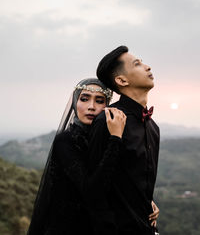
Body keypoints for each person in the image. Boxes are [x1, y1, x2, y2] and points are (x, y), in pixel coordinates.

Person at [27, 78, 126, 235]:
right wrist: (115, 140)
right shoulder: (65, 141)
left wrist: (146, 203)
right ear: (74, 102)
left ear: (107, 106)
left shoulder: (108, 140)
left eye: (100, 101)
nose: (91, 107)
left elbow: (119, 182)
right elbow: (90, 191)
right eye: (84, 99)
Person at [87, 46, 160, 235]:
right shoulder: (107, 120)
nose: (147, 67)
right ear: (121, 80)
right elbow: (94, 190)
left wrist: (148, 202)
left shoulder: (153, 127)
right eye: (138, 64)